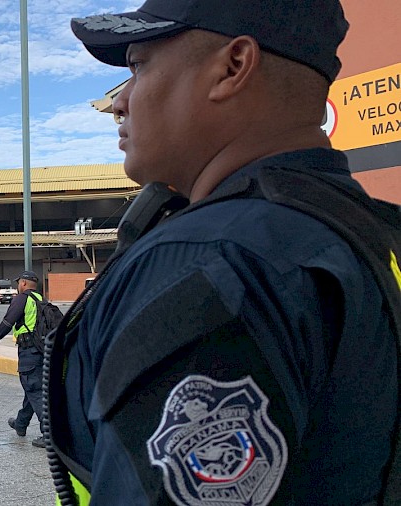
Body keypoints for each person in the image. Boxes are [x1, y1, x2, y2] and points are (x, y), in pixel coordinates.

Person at [45, 1, 400, 505]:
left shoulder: (212, 262)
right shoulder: (369, 231)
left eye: (138, 66)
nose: (121, 101)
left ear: (232, 67)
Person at [0, 270, 45, 448]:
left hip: (29, 351)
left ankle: (49, 434)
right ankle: (20, 424)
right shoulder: (41, 300)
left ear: (24, 283)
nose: (17, 285)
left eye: (18, 282)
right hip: (42, 351)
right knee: (33, 388)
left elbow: (8, 321)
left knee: (34, 389)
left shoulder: (22, 299)